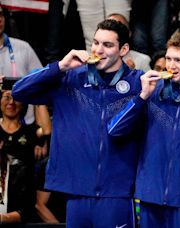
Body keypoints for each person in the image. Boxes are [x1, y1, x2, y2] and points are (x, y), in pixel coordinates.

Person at [11, 19, 144, 227]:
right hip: (76, 193)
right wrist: (60, 66)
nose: (99, 50)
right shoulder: (70, 79)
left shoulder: (139, 83)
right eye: (96, 43)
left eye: (107, 45)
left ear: (124, 49)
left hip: (117, 194)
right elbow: (19, 91)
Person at [108, 31, 180, 227]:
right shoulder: (151, 91)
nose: (171, 65)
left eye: (178, 60)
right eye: (168, 58)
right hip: (150, 197)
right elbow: (115, 130)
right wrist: (142, 96)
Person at [0, 5, 51, 159]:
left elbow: (42, 85)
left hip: (26, 128)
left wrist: (41, 140)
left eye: (0, 15)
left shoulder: (23, 48)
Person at [0, 79, 44, 224]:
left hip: (21, 203)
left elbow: (47, 130)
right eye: (6, 97)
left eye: (16, 98)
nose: (11, 102)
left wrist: (38, 94)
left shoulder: (30, 131)